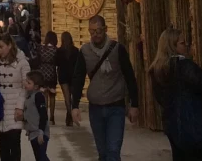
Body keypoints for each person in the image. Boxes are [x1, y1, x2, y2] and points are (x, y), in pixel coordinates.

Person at [150, 27, 202, 161]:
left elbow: (160, 98)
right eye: (182, 43)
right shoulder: (184, 66)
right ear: (171, 46)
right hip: (195, 126)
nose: (186, 45)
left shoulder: (157, 70)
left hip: (173, 126)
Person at [71, 15, 138, 161]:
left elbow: (129, 76)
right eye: (92, 31)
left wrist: (134, 104)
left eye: (98, 31)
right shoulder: (85, 51)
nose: (95, 35)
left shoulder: (118, 49)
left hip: (116, 106)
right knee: (103, 152)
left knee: (113, 151)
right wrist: (74, 105)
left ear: (105, 29)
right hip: (95, 108)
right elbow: (78, 79)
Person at [0, 33, 30, 161]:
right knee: (3, 146)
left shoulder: (23, 62)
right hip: (0, 108)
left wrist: (20, 107)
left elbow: (26, 87)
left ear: (10, 45)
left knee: (15, 144)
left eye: (1, 46)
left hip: (15, 108)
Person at [23, 70, 51, 161]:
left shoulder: (38, 96)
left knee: (42, 157)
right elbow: (30, 114)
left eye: (29, 83)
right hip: (33, 134)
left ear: (36, 86)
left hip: (40, 134)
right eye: (26, 81)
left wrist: (41, 131)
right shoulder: (29, 96)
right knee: (38, 157)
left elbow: (43, 115)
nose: (26, 84)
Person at [55, 32, 79, 127]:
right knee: (72, 97)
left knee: (67, 97)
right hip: (73, 75)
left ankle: (69, 114)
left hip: (63, 75)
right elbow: (78, 64)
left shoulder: (59, 51)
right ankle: (70, 115)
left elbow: (56, 63)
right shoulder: (76, 51)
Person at [36, 33, 58, 125]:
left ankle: (44, 116)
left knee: (44, 95)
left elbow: (37, 60)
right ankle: (52, 117)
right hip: (52, 73)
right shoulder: (55, 50)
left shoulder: (41, 48)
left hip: (43, 73)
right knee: (52, 96)